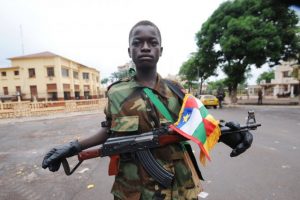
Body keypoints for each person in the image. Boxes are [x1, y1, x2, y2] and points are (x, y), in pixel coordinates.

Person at [42, 20, 253, 200]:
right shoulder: (116, 93)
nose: (145, 47)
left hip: (178, 186)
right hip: (133, 188)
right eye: (137, 42)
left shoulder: (176, 90)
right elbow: (109, 131)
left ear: (160, 51)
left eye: (152, 43)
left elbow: (200, 123)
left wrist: (229, 135)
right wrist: (72, 147)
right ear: (129, 51)